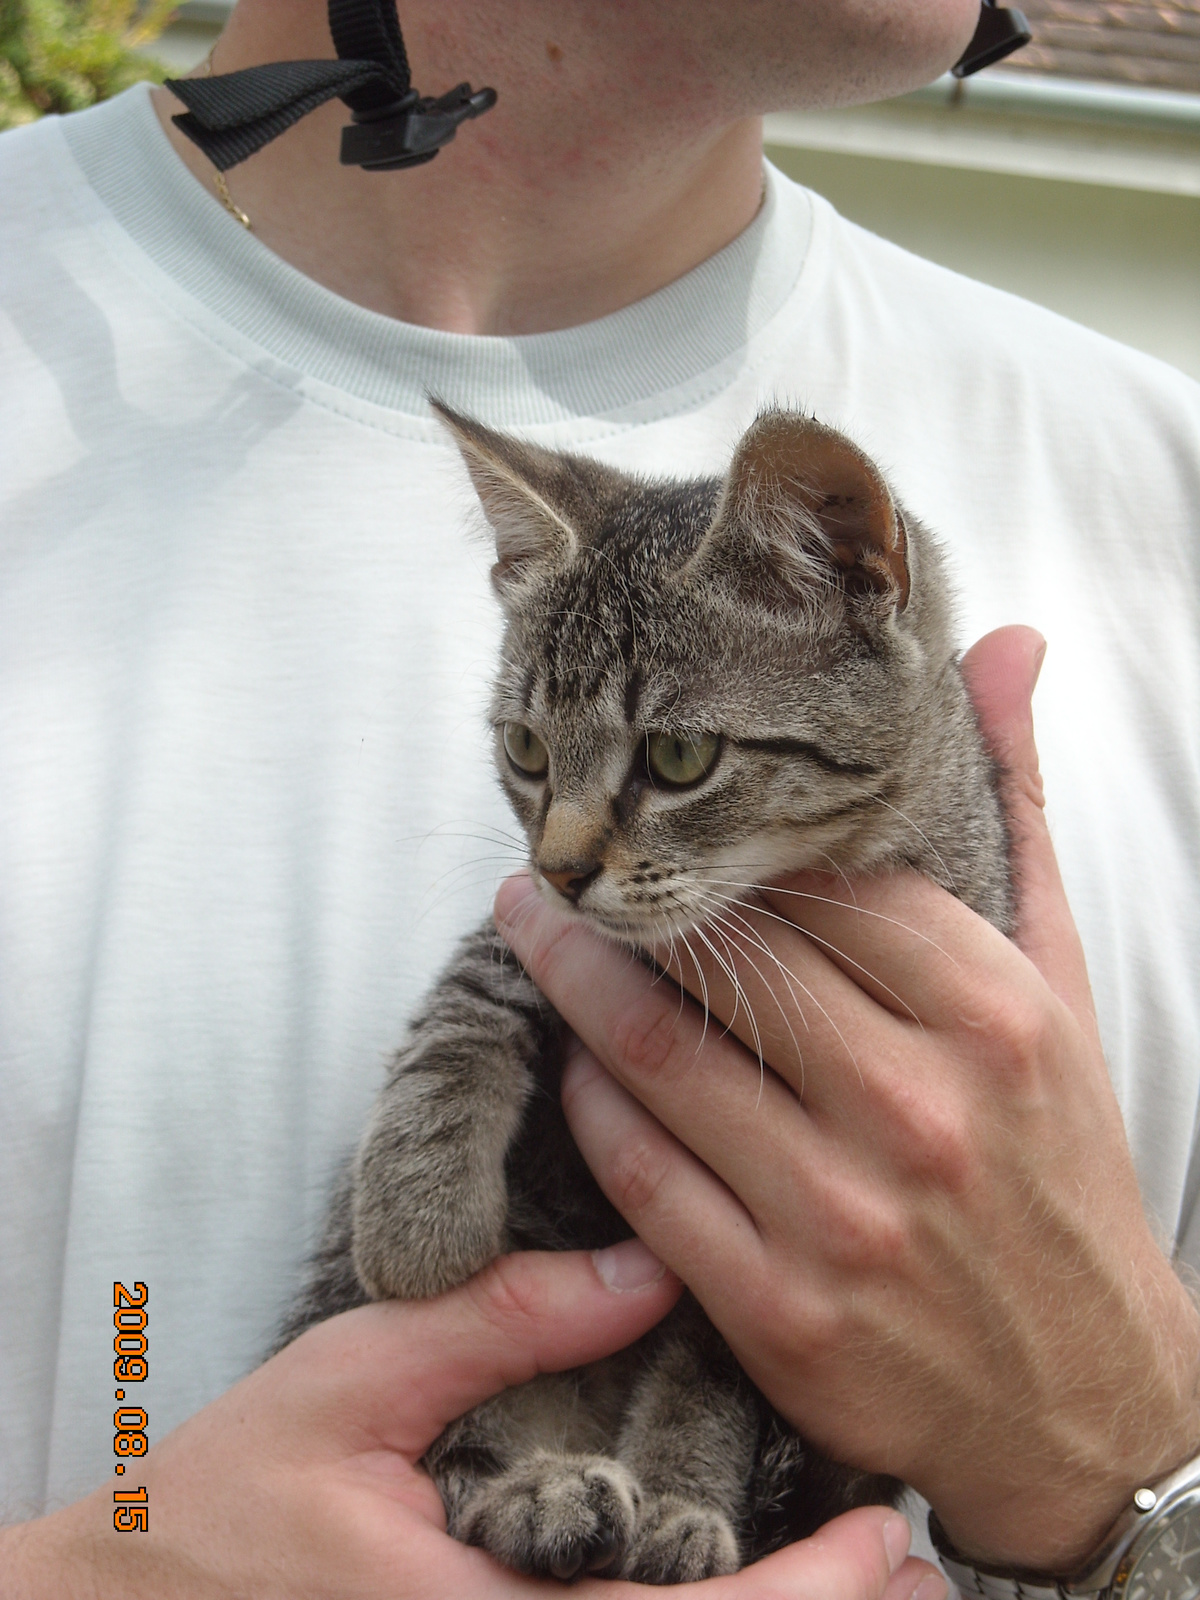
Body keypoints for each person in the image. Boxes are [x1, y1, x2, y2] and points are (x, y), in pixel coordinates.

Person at [1, 0, 1197, 1593]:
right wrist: (110, 1559)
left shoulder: (1165, 493)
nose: (559, 859)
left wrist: (1124, 1475)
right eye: (530, 774)